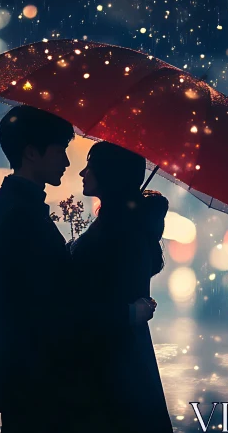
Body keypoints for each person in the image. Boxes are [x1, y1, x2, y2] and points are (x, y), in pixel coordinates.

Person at [0, 106, 155, 432]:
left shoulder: (19, 206)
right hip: (39, 384)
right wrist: (126, 314)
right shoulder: (21, 215)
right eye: (60, 150)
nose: (66, 162)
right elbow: (54, 308)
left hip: (35, 380)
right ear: (32, 152)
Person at [69, 141, 173, 433]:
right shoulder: (119, 224)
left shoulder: (121, 230)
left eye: (90, 165)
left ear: (109, 173)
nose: (82, 172)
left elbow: (99, 296)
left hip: (112, 364)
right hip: (122, 359)